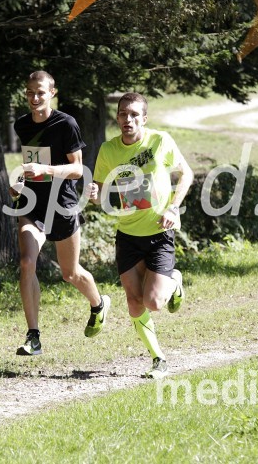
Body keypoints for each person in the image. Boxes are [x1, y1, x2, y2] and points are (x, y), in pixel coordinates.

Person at [88, 92, 192, 378]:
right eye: (123, 114)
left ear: (144, 119)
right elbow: (98, 193)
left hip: (160, 231)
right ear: (117, 117)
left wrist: (173, 207)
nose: (128, 119)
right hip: (128, 235)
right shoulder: (109, 150)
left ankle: (175, 280)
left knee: (154, 302)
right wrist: (95, 193)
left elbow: (187, 174)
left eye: (134, 115)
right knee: (134, 303)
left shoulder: (160, 141)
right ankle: (158, 359)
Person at [11, 71, 110, 356]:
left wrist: (47, 171)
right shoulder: (22, 125)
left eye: (40, 92)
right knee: (27, 262)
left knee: (70, 273)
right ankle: (34, 336)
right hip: (32, 203)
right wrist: (19, 183)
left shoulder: (66, 124)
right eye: (30, 92)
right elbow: (29, 163)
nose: (34, 97)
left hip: (62, 204)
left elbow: (78, 169)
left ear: (52, 93)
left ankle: (98, 303)